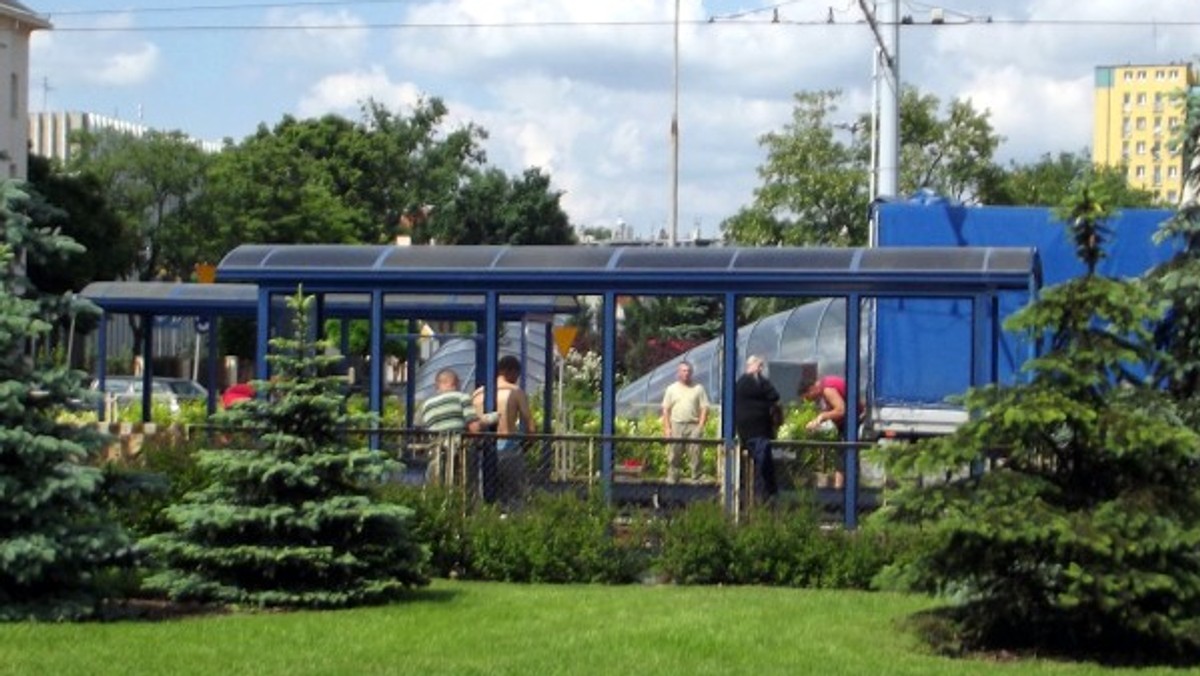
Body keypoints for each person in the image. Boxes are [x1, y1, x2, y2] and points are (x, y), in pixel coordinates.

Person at [472, 355, 533, 503]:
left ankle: (488, 518)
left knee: (485, 493)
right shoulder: (516, 392)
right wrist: (527, 444)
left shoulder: (478, 393)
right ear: (512, 372)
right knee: (514, 495)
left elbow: (472, 423)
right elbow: (529, 423)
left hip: (483, 448)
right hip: (509, 446)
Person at [734, 355, 782, 502]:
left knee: (761, 461)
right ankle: (764, 494)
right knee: (762, 462)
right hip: (756, 432)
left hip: (750, 431)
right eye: (759, 366)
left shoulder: (742, 383)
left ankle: (763, 493)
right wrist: (759, 376)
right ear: (752, 366)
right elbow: (774, 395)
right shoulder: (752, 382)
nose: (761, 369)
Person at [799, 373, 850, 489]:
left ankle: (841, 490)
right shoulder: (824, 391)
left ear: (812, 389)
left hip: (852, 423)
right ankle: (839, 488)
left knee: (845, 454)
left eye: (808, 397)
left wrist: (821, 417)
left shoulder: (827, 389)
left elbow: (841, 410)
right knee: (841, 456)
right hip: (844, 425)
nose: (810, 401)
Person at [661, 361, 709, 483]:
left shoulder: (698, 388)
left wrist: (701, 426)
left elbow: (704, 407)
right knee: (674, 454)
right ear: (678, 372)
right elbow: (666, 409)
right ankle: (673, 477)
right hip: (676, 424)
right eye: (683, 371)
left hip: (693, 425)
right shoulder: (671, 389)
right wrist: (667, 428)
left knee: (695, 453)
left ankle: (696, 477)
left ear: (691, 373)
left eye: (688, 371)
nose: (686, 373)